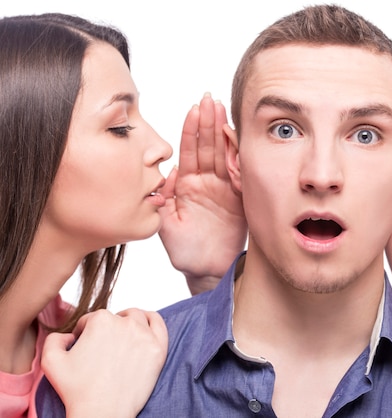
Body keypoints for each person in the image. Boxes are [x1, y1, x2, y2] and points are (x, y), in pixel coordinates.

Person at [36, 4, 392, 417]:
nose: (321, 174)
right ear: (235, 157)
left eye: (365, 134)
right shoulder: (94, 382)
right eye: (286, 129)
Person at [0, 13, 242, 418]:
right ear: (21, 146)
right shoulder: (98, 379)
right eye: (119, 126)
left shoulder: (89, 352)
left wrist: (212, 285)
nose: (162, 148)